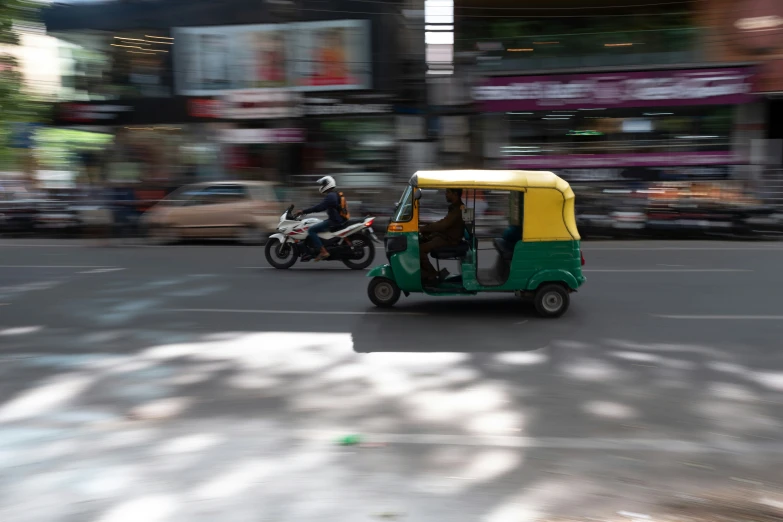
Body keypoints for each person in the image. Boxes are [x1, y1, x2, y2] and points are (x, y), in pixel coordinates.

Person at [420, 188, 465, 284]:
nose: (446, 195)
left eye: (448, 192)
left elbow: (443, 225)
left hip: (449, 240)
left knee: (420, 249)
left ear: (455, 194)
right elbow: (443, 222)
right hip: (445, 236)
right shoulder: (454, 208)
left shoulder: (458, 210)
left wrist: (424, 228)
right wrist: (426, 225)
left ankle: (431, 274)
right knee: (421, 240)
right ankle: (427, 274)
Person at [297, 176, 347, 262]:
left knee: (311, 230)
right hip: (336, 220)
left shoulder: (331, 196)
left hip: (334, 222)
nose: (322, 186)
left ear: (328, 184)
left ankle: (323, 252)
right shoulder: (334, 194)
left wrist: (304, 211)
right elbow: (323, 206)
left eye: (323, 184)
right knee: (317, 224)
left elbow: (320, 207)